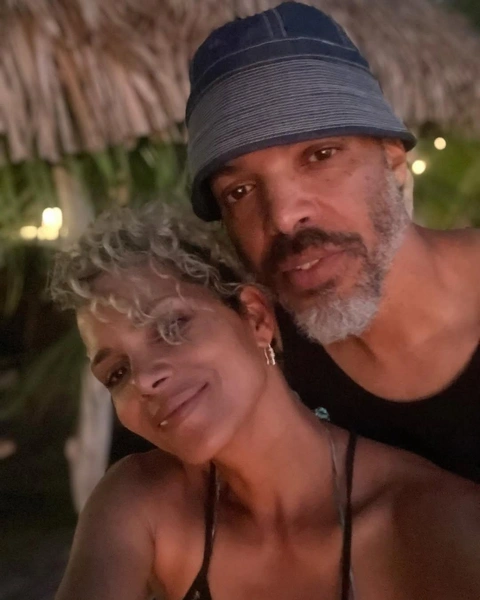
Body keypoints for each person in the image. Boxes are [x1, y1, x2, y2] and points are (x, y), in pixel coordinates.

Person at [51, 204, 480, 600]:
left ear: (256, 317)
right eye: (117, 373)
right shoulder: (140, 503)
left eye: (172, 326)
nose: (144, 378)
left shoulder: (431, 523)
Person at [185, 1, 480, 482]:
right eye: (238, 192)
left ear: (392, 159)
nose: (284, 217)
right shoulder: (262, 361)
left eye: (320, 155)